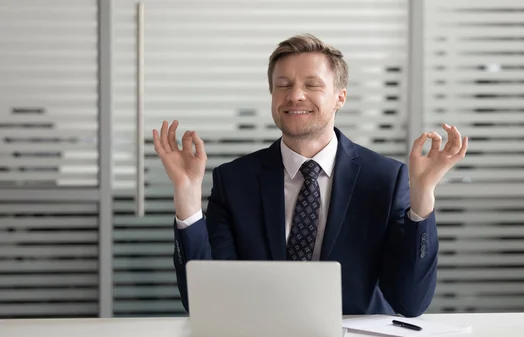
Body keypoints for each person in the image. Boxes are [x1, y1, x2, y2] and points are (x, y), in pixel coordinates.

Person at [153, 34, 468, 317]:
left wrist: (423, 194)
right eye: (283, 85)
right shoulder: (235, 181)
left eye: (312, 84)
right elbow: (206, 301)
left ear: (339, 97)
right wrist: (187, 192)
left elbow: (410, 302)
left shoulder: (385, 179)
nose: (295, 96)